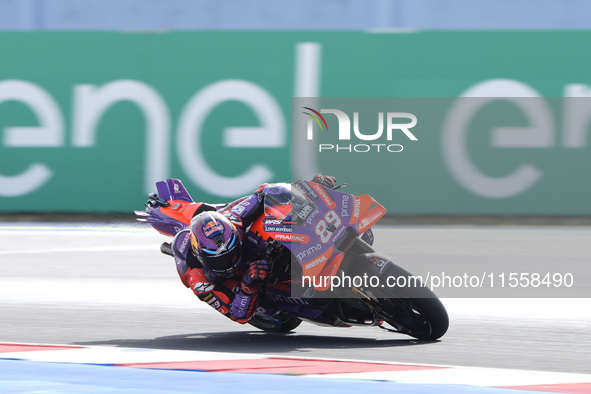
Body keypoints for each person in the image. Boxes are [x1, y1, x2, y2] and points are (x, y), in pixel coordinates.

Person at [168, 174, 336, 323]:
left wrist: (308, 189)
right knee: (266, 308)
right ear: (201, 257)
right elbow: (237, 315)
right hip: (233, 281)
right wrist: (248, 283)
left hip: (236, 230)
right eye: (220, 260)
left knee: (279, 210)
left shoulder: (236, 220)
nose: (230, 262)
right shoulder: (200, 281)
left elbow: (268, 191)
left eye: (231, 254)